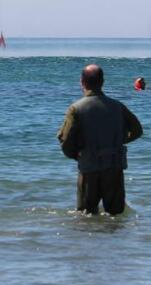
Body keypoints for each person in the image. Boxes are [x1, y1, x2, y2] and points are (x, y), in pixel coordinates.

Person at [57, 64, 143, 215]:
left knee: (86, 216)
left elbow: (65, 140)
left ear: (82, 82)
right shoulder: (118, 106)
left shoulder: (76, 108)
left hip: (89, 168)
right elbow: (137, 131)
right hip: (114, 167)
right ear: (102, 82)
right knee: (115, 215)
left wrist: (76, 155)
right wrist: (118, 140)